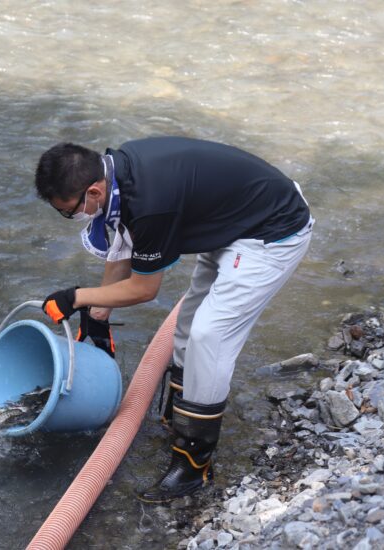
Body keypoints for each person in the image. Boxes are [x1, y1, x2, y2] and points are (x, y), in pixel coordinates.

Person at [34, 136, 313, 503]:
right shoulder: (118, 173)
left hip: (272, 232)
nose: (72, 217)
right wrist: (99, 312)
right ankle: (181, 417)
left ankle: (193, 465)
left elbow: (144, 288)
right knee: (186, 329)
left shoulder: (150, 203)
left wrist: (76, 297)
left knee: (208, 337)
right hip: (234, 220)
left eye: (70, 211)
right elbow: (125, 244)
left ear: (94, 193)